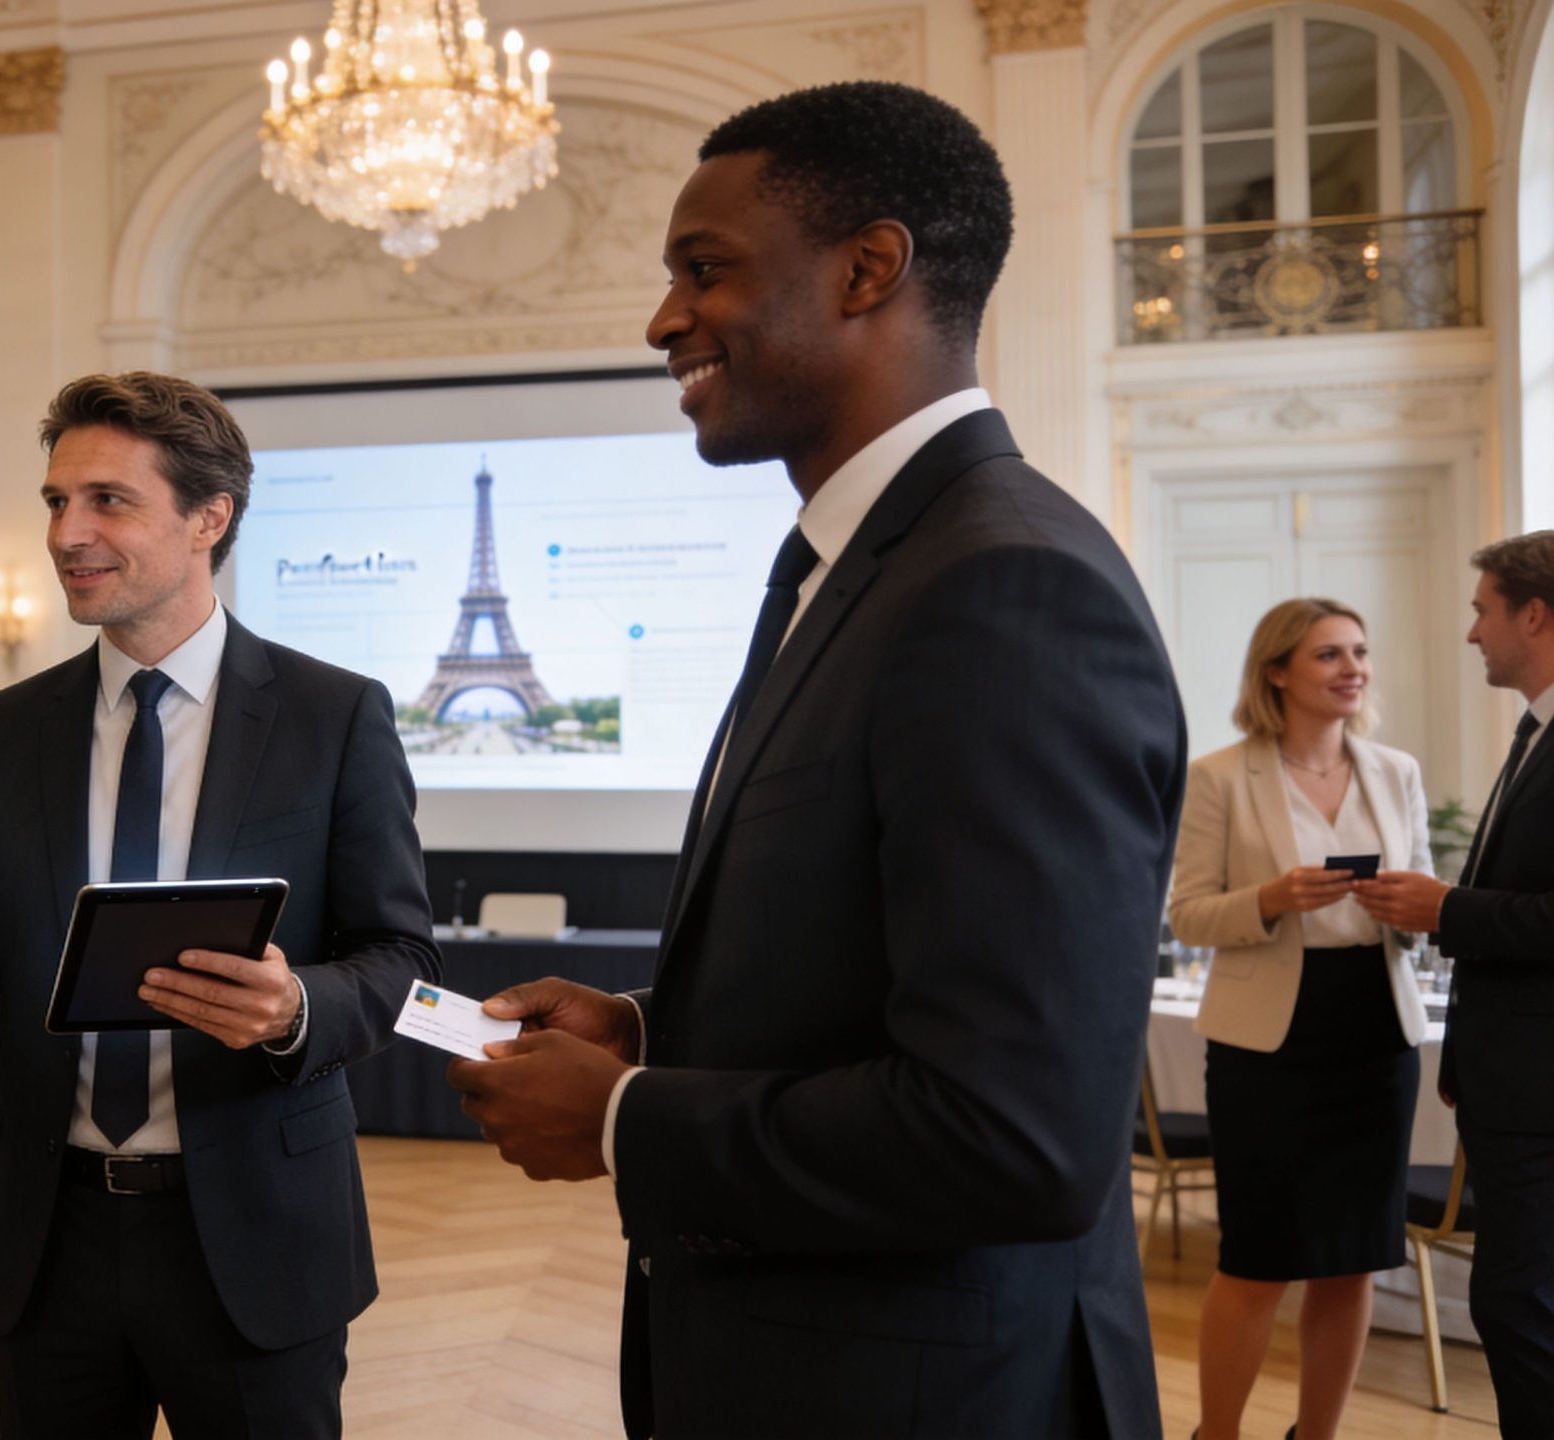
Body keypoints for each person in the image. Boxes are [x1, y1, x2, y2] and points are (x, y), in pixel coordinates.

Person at [443, 82, 1185, 1437]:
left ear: (870, 268)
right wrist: (653, 1033)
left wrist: (628, 1120)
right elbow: (882, 985)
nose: (663, 319)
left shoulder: (1003, 587)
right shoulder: (865, 570)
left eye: (705, 270)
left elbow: (1014, 1137)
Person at [0, 371, 438, 1437]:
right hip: (49, 1242)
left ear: (208, 518)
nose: (66, 533)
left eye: (108, 501)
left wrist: (295, 1007)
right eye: (55, 501)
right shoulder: (7, 732)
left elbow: (403, 955)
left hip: (258, 1238)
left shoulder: (332, 717)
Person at [1169, 599, 1429, 1440]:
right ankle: (1217, 1434)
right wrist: (1272, 900)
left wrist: (1407, 906)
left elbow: (1423, 901)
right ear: (1276, 671)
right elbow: (1188, 916)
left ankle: (1315, 1437)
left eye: (1359, 652)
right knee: (1256, 1260)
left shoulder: (1397, 772)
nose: (1353, 667)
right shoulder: (1217, 776)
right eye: (1328, 655)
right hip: (1267, 1045)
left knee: (1355, 1261)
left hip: (1373, 1034)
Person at [1359, 532, 1554, 1430]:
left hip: (1541, 1091)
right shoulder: (1534, 730)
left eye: (1482, 611)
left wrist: (1447, 910)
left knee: (1520, 1309)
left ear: (1534, 614)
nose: (1471, 633)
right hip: (1511, 1083)